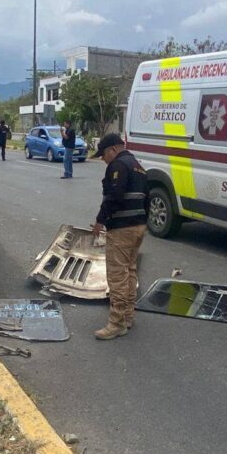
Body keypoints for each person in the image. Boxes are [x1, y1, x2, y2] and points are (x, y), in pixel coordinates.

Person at [90, 134, 148, 340]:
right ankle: (128, 316)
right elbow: (146, 199)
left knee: (117, 276)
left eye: (104, 154)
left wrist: (100, 221)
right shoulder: (138, 166)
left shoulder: (118, 165)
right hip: (138, 227)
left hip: (122, 229)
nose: (103, 159)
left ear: (113, 149)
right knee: (130, 271)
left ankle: (116, 323)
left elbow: (113, 197)